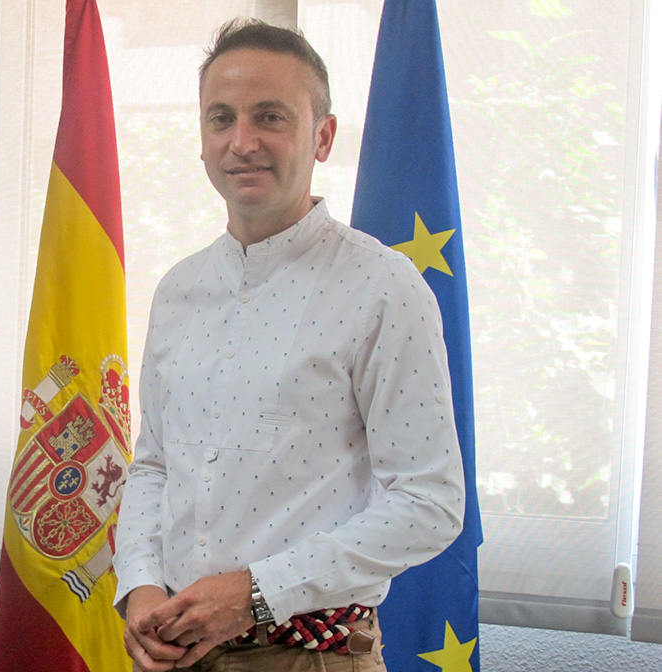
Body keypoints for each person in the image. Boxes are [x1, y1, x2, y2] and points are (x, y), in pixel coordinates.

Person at [113, 19, 466, 672]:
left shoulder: (383, 288)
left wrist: (255, 594)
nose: (241, 142)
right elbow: (155, 465)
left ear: (322, 136)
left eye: (269, 117)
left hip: (309, 657)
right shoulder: (179, 290)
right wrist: (137, 585)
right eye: (221, 118)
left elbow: (431, 502)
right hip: (173, 648)